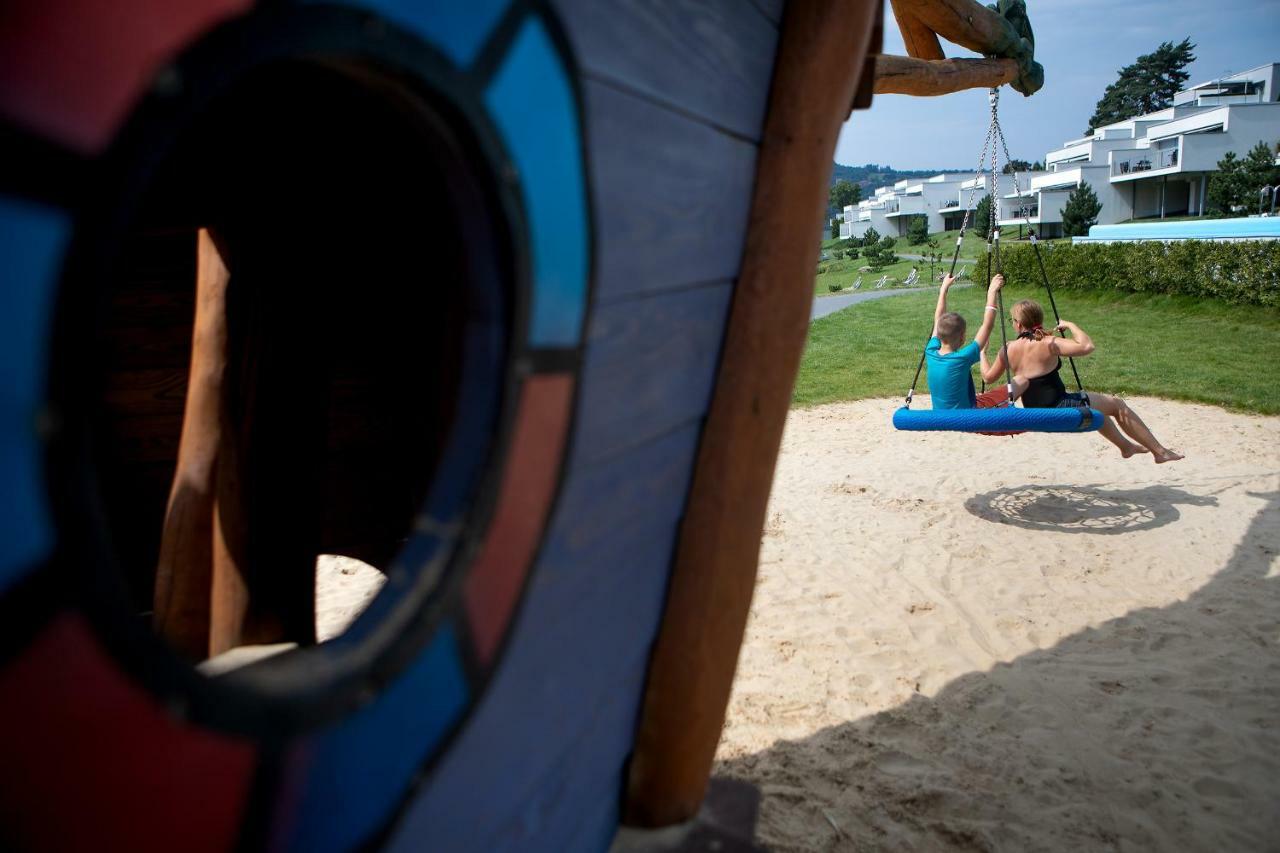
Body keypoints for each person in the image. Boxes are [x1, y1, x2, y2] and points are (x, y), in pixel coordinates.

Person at [981, 299, 1183, 463]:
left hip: (1035, 411)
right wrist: (1070, 325)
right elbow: (1087, 346)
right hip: (1059, 407)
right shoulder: (1049, 343)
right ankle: (1159, 452)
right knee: (1117, 405)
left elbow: (987, 377)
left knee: (1099, 411)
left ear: (1018, 324)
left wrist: (982, 352)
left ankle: (1127, 447)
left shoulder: (1008, 348)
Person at [924, 273, 1006, 409]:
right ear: (962, 337)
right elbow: (988, 325)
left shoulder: (931, 351)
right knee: (1016, 384)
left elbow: (938, 318)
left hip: (940, 417)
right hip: (965, 418)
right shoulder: (962, 358)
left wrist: (943, 289)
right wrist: (992, 291)